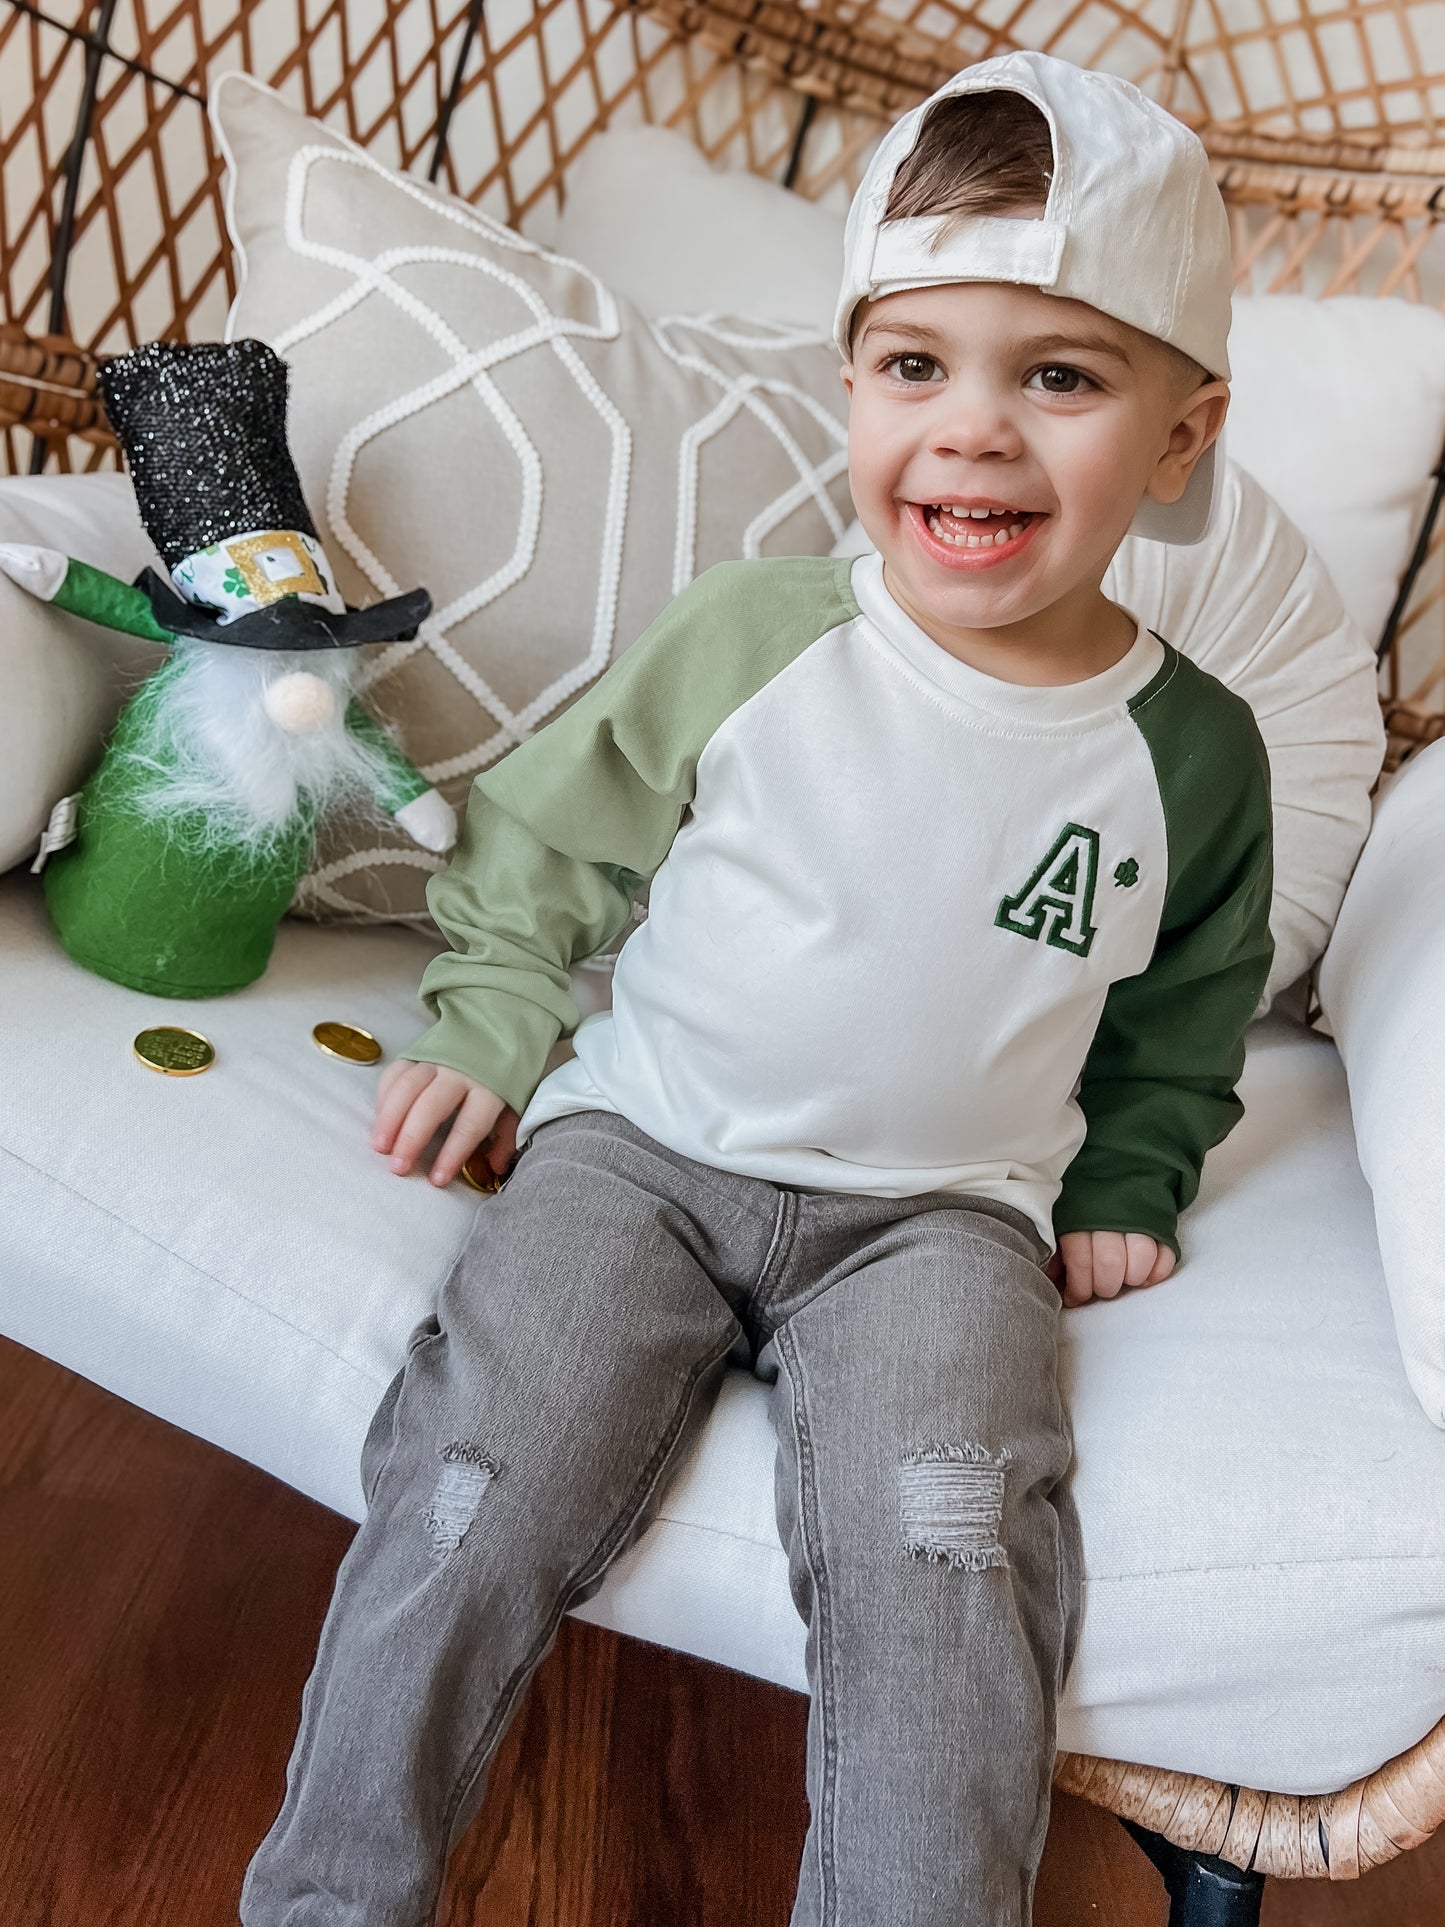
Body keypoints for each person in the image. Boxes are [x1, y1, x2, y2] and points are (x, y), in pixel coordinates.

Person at [241, 48, 1273, 1927]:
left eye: (1055, 376)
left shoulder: (1192, 756)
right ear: (853, 387)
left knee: (952, 1548)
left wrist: (1126, 1178)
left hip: (940, 1226)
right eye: (914, 367)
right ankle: (327, 1901)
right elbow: (551, 838)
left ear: (1180, 436)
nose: (969, 432)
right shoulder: (755, 635)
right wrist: (492, 1019)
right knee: (477, 1484)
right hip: (639, 1150)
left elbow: (1182, 1013)